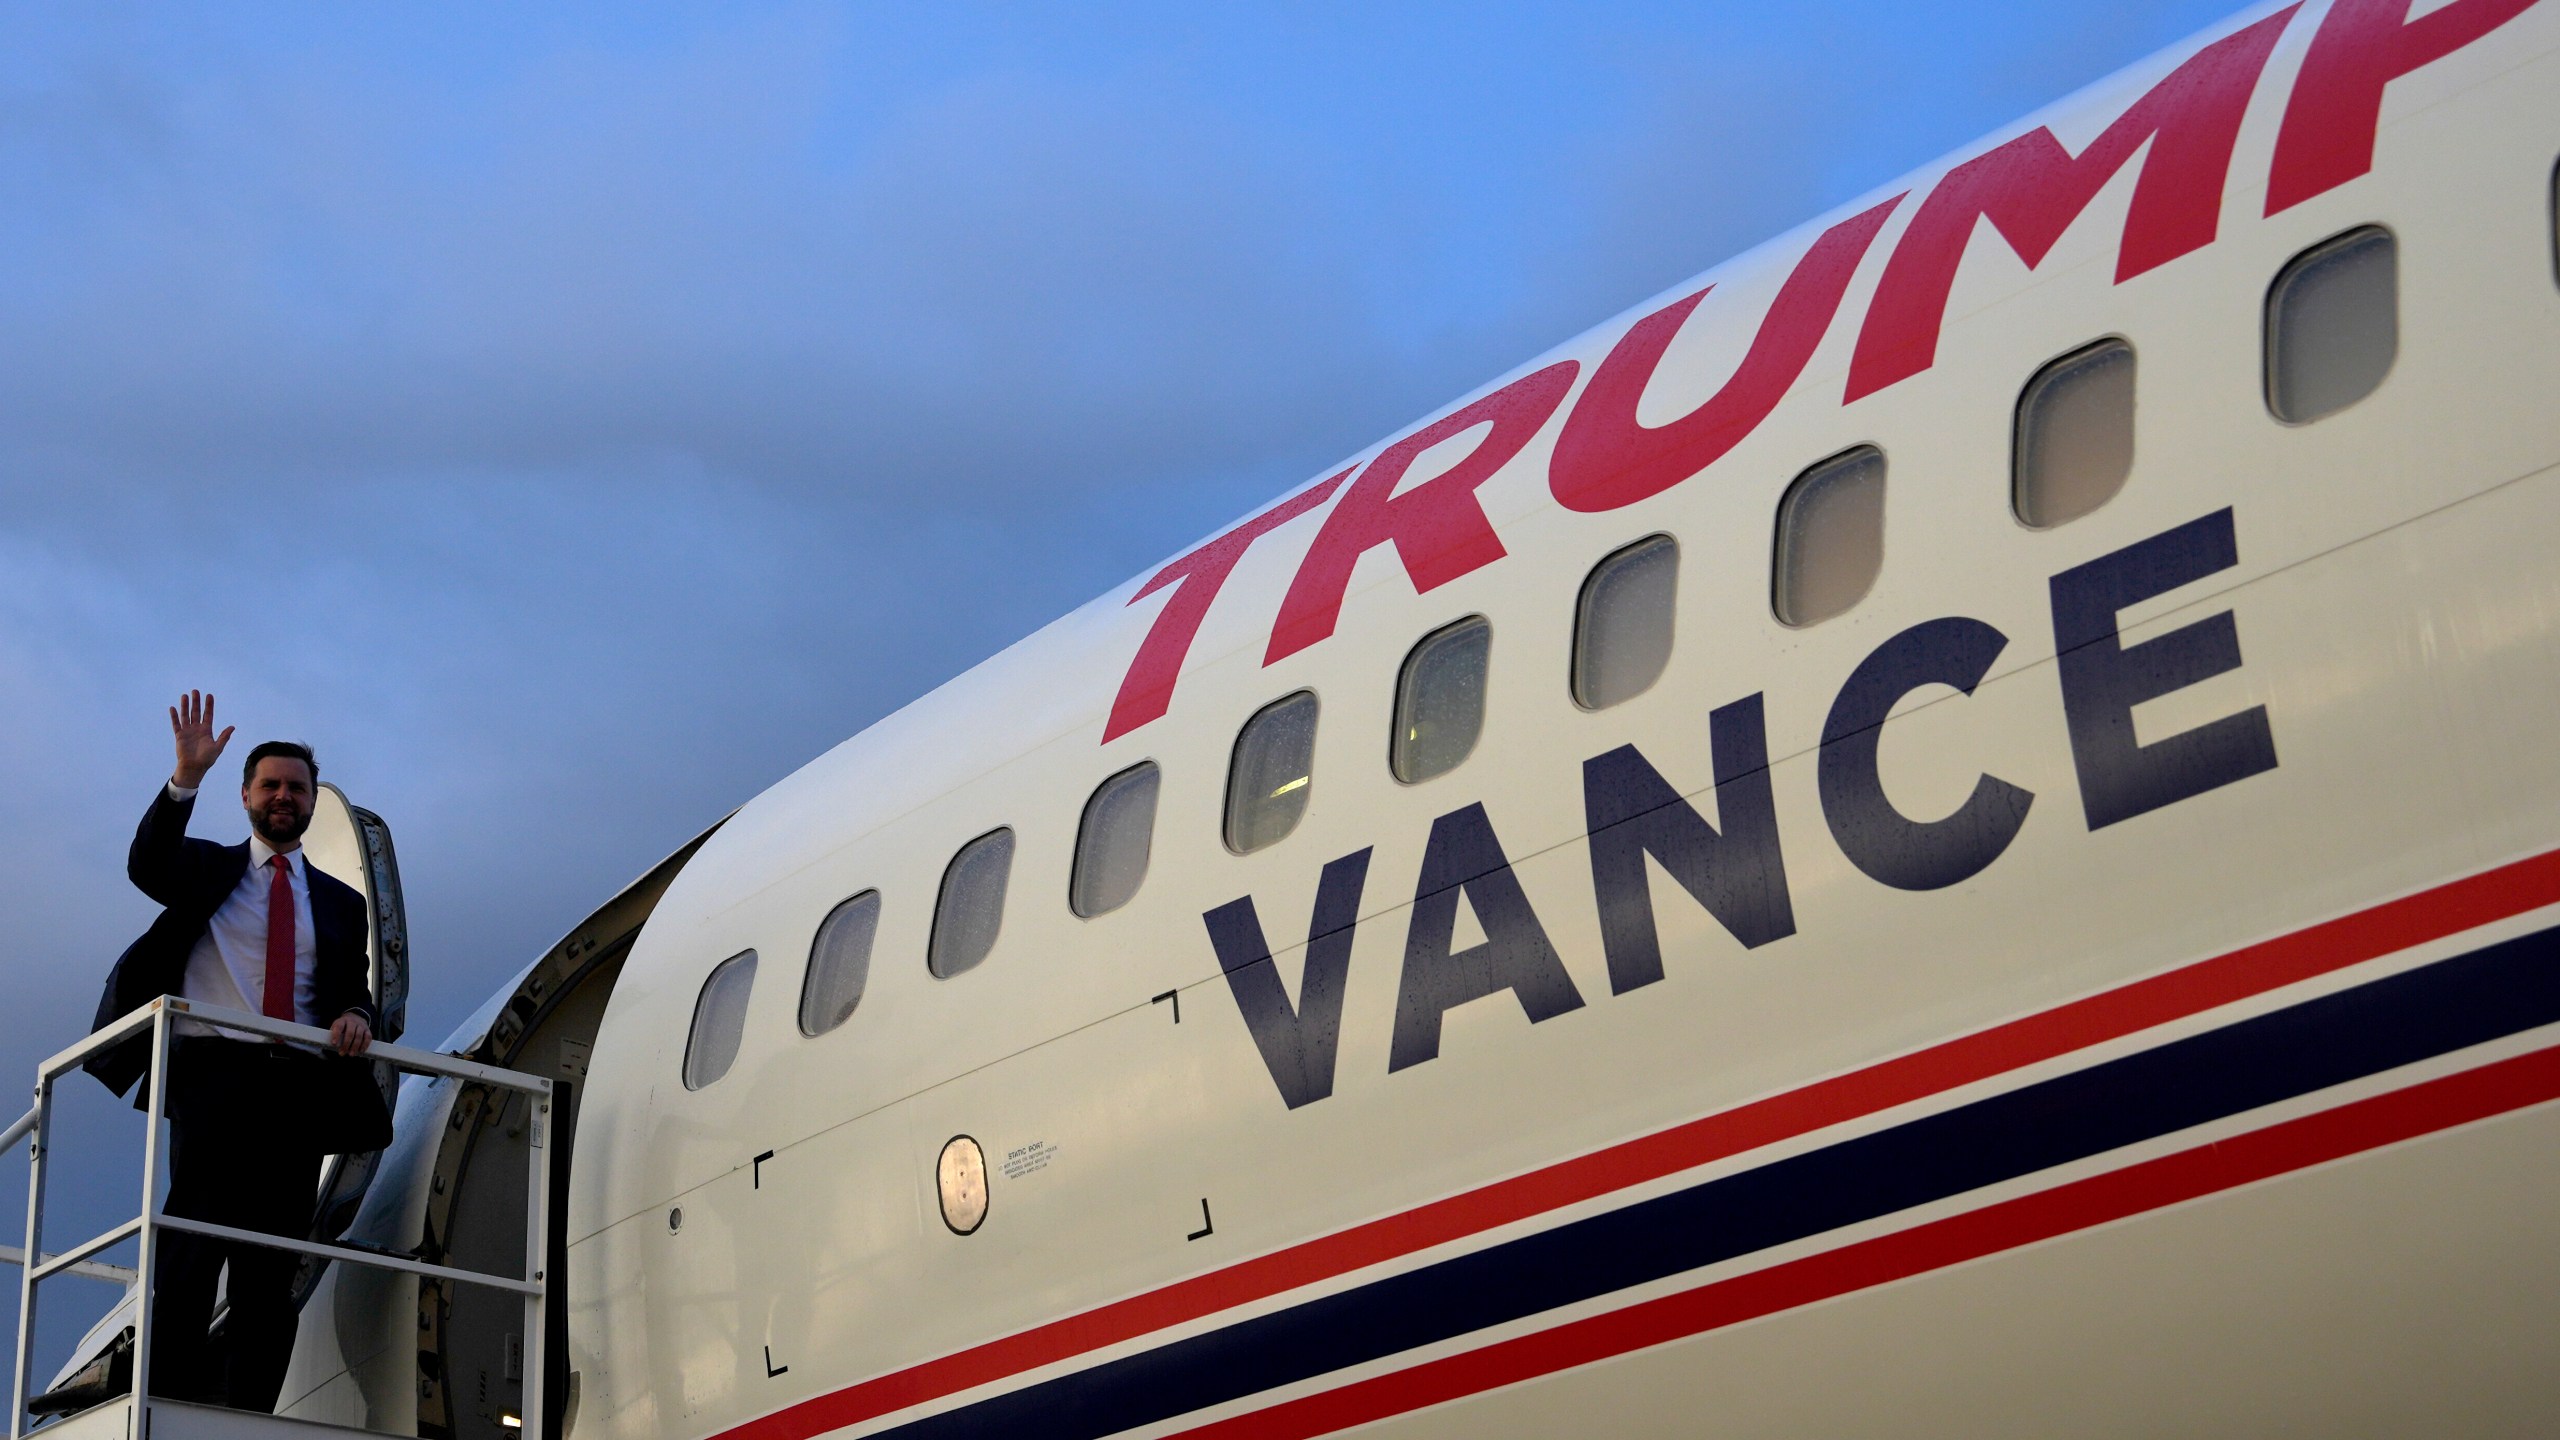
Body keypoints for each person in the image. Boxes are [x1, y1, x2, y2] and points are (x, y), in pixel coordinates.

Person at [84, 691, 380, 1411]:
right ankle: (175, 1406)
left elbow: (352, 987)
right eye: (271, 785)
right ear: (246, 796)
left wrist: (356, 1015)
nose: (284, 797)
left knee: (269, 1272)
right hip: (213, 1077)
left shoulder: (341, 903)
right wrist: (184, 777)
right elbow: (146, 861)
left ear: (312, 804)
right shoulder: (206, 871)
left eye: (296, 788)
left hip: (295, 1092)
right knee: (190, 1256)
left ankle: (250, 1414)